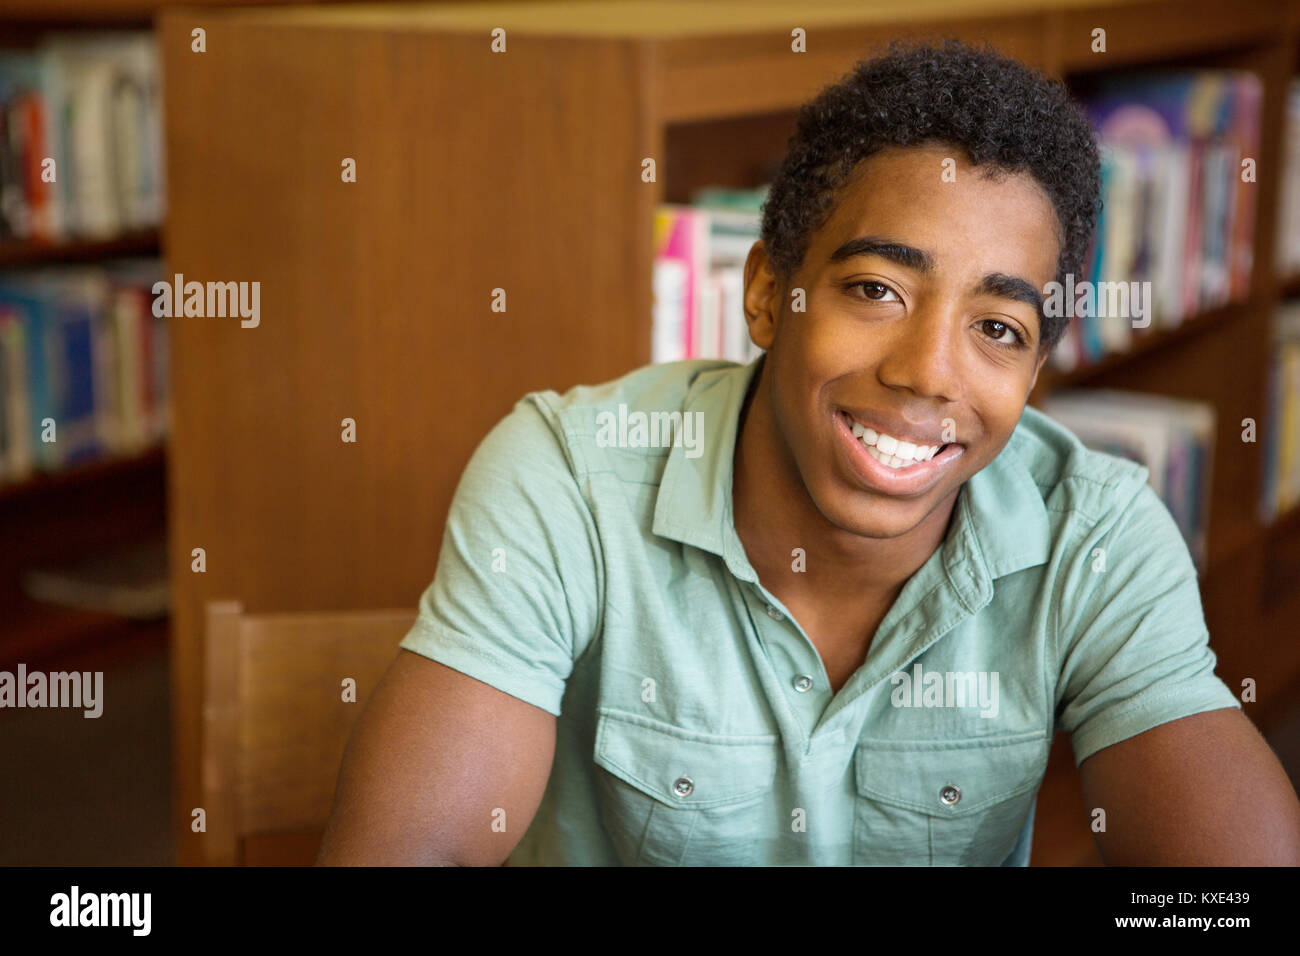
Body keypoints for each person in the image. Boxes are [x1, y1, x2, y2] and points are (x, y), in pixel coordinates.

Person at [317, 39, 1300, 865]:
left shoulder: (1096, 532)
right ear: (764, 292)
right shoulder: (567, 474)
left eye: (997, 327)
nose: (928, 373)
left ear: (1037, 368)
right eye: (877, 289)